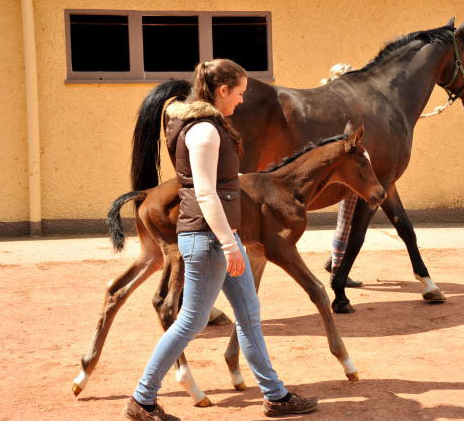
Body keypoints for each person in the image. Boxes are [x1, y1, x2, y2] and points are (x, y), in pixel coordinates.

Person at [124, 58, 318, 420]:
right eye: (239, 93)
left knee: (248, 314)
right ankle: (142, 399)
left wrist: (233, 240)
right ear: (222, 90)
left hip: (221, 237)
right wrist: (230, 244)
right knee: (192, 322)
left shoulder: (211, 126)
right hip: (208, 239)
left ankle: (275, 396)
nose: (242, 100)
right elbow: (206, 193)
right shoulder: (203, 131)